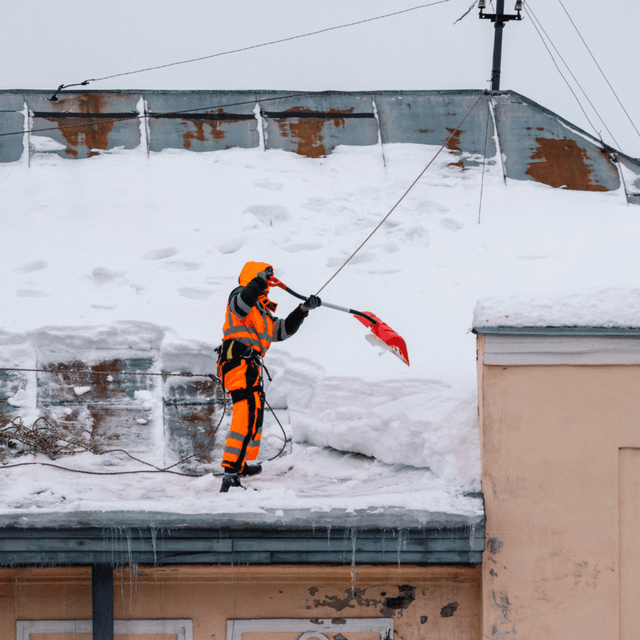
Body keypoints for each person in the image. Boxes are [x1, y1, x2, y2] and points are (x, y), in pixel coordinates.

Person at [217, 261, 320, 492]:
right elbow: (241, 306)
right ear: (255, 277)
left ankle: (240, 464)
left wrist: (303, 310)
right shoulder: (240, 296)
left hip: (250, 366)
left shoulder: (262, 311)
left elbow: (282, 331)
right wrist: (259, 280)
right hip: (237, 363)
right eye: (265, 277)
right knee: (244, 416)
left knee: (254, 417)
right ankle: (230, 474)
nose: (268, 282)